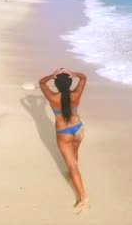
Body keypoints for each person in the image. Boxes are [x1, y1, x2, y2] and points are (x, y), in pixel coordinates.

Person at [39, 68, 89, 213]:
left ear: (56, 83)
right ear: (69, 82)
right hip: (78, 129)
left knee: (72, 165)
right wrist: (75, 74)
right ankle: (74, 175)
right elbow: (84, 78)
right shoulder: (76, 95)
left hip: (63, 133)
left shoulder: (52, 97)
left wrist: (51, 75)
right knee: (74, 155)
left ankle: (83, 197)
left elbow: (41, 83)